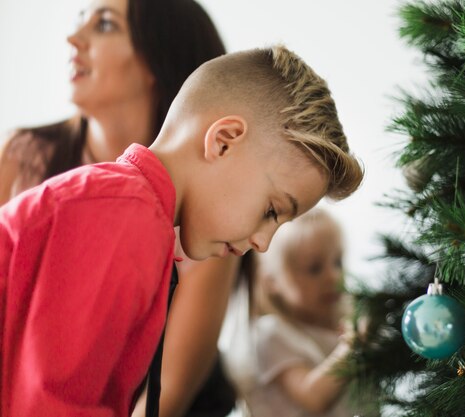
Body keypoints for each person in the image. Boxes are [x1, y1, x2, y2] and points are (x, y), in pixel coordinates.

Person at [0, 45, 364, 416]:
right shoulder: (122, 216)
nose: (263, 243)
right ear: (223, 142)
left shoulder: (132, 213)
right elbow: (51, 406)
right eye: (271, 211)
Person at [0, 1, 241, 415]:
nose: (73, 39)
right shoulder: (22, 156)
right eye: (79, 22)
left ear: (156, 59)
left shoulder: (209, 208)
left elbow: (167, 397)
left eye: (105, 25)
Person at [234, 208, 360, 417]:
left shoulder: (346, 319)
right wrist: (352, 347)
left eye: (338, 262)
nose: (333, 276)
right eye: (314, 268)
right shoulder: (272, 334)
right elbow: (314, 399)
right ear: (272, 281)